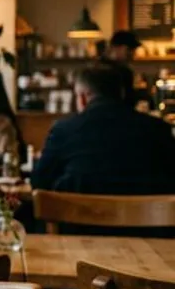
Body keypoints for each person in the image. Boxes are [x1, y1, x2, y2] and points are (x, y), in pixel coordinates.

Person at [32, 62, 175, 197]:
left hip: (80, 221)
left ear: (82, 98)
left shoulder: (63, 131)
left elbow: (39, 182)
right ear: (122, 94)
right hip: (149, 221)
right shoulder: (158, 128)